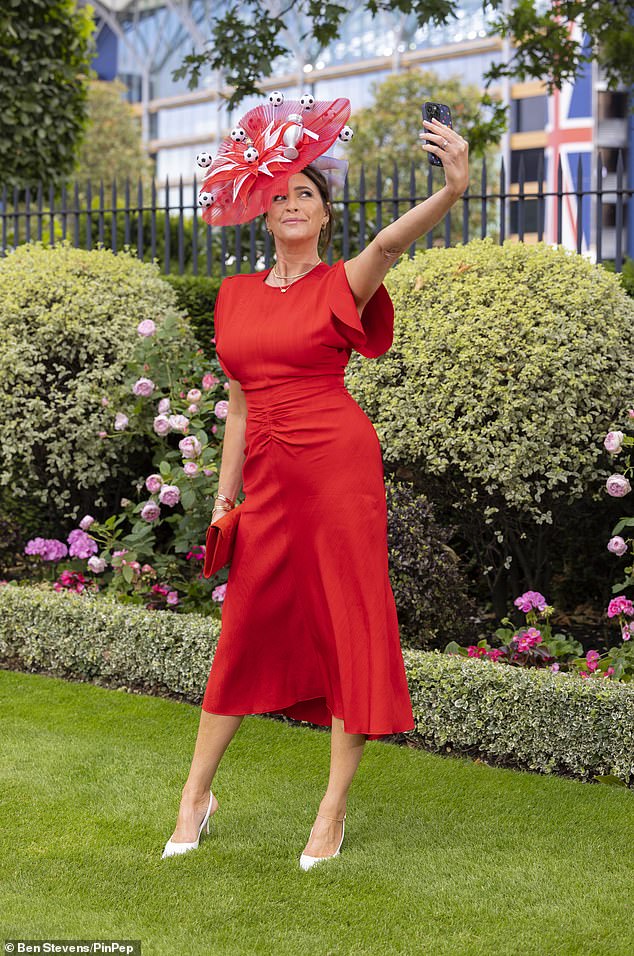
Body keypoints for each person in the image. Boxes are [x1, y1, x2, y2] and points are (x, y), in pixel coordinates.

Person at [162, 106, 469, 867]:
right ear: (264, 218)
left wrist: (452, 188)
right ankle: (195, 794)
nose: (291, 204)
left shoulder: (344, 280)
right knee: (245, 628)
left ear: (324, 214)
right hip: (265, 477)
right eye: (278, 198)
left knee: (347, 624)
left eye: (305, 194)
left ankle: (331, 811)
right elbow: (236, 400)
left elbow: (393, 241)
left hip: (337, 470)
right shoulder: (233, 296)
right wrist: (225, 497)